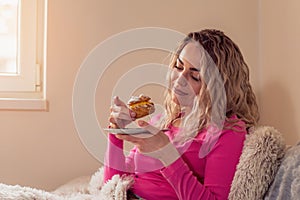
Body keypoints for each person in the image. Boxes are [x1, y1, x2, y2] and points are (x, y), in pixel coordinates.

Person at [104, 29, 259, 199]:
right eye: (178, 67)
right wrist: (116, 134)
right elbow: (113, 185)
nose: (179, 80)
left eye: (194, 76)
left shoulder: (228, 131)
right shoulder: (164, 121)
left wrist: (167, 154)